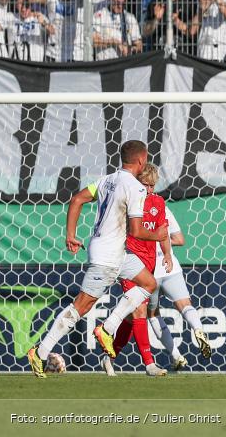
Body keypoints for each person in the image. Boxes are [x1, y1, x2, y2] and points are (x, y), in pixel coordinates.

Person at [28, 141, 170, 378]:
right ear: (141, 160)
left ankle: (108, 327)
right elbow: (136, 230)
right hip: (107, 256)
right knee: (80, 308)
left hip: (117, 252)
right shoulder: (134, 188)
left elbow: (76, 200)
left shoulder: (107, 180)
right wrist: (157, 234)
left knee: (148, 283)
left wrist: (70, 235)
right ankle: (40, 353)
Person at [101, 164, 172, 377]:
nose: (149, 190)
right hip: (129, 260)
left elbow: (162, 232)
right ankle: (149, 364)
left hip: (149, 263)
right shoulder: (128, 200)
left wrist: (167, 254)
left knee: (133, 318)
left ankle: (109, 357)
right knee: (140, 310)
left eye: (152, 186)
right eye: (145, 185)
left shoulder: (158, 202)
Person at [147, 204, 213, 369]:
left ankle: (176, 356)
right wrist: (164, 243)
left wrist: (151, 243)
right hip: (171, 266)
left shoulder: (134, 206)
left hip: (149, 269)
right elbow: (180, 239)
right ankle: (198, 329)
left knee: (153, 314)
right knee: (185, 305)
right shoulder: (162, 207)